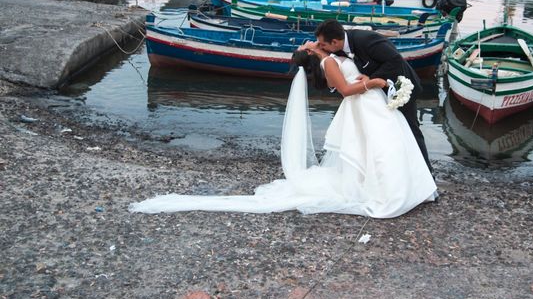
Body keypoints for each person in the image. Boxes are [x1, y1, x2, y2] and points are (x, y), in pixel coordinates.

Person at [130, 44, 437, 218]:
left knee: (380, 147)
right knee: (379, 149)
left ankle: (398, 185)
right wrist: (377, 82)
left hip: (368, 104)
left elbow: (335, 63)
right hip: (364, 101)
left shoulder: (330, 56)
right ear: (314, 53)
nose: (309, 44)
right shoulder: (329, 61)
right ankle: (389, 190)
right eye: (309, 45)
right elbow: (344, 88)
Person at [314, 19, 434, 174]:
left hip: (399, 88)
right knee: (385, 133)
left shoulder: (367, 39)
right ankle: (392, 170)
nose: (321, 47)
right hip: (375, 95)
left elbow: (395, 60)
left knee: (410, 128)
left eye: (323, 44)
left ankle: (425, 171)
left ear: (335, 42)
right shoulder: (337, 47)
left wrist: (371, 79)